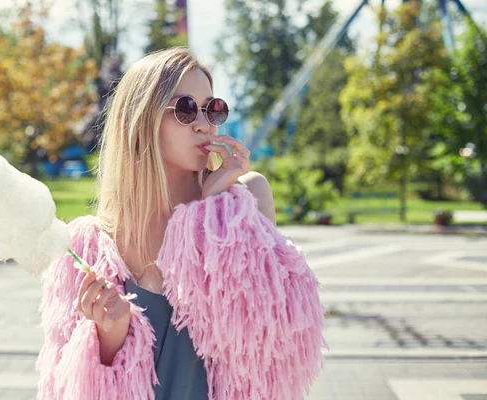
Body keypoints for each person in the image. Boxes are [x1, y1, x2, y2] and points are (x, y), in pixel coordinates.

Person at [36, 47, 326, 400]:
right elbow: (69, 387)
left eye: (212, 108)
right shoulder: (90, 248)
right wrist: (109, 337)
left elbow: (269, 341)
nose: (205, 123)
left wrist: (211, 212)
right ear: (141, 119)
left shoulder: (245, 201)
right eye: (186, 109)